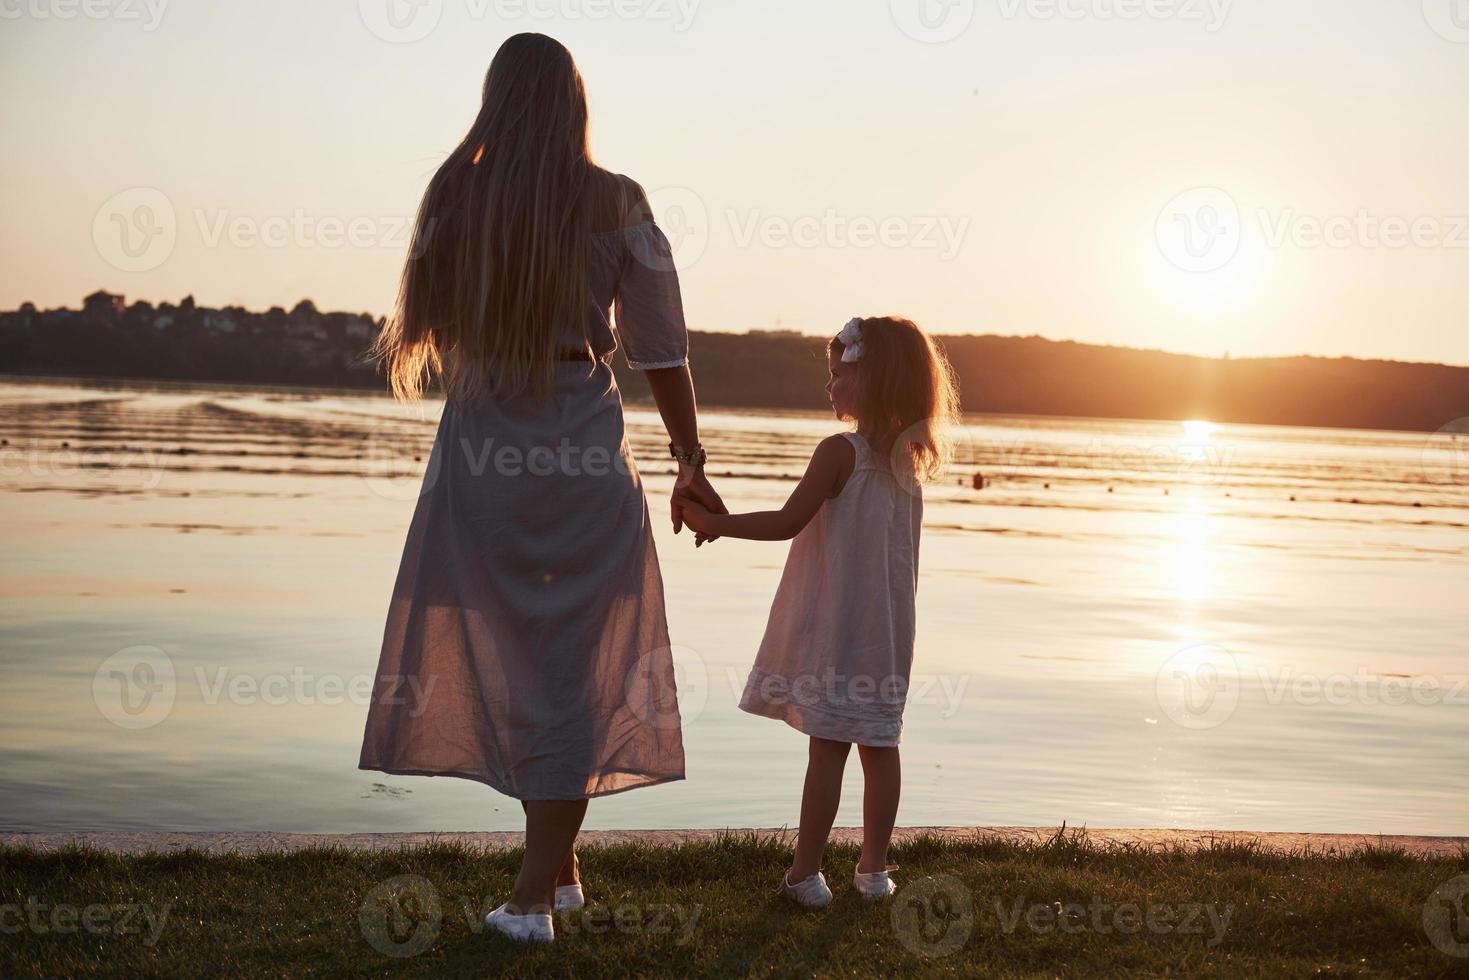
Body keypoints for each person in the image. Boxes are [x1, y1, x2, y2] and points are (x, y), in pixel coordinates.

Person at [357, 33, 726, 944]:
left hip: (482, 442)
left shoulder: (455, 192)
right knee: (571, 654)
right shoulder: (617, 199)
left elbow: (430, 319)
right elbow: (659, 349)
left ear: (494, 98)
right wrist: (689, 458)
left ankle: (539, 888)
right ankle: (546, 880)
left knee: (514, 648)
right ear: (574, 100)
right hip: (578, 440)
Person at [677, 315, 959, 907]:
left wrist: (714, 525)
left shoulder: (841, 453)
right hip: (888, 630)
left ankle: (806, 875)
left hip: (839, 627)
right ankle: (874, 873)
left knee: (827, 746)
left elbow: (786, 523)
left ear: (873, 379)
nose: (829, 389)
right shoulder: (910, 463)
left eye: (838, 376)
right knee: (881, 744)